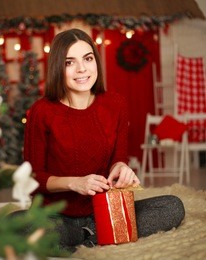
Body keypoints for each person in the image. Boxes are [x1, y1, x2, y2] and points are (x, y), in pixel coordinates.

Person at [19, 28, 185, 253]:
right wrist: (74, 183)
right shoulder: (42, 111)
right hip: (58, 217)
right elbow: (32, 178)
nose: (82, 69)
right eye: (70, 62)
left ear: (95, 61)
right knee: (19, 225)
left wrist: (121, 168)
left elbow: (118, 159)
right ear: (58, 67)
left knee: (172, 206)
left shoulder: (116, 104)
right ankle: (96, 239)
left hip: (106, 212)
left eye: (88, 59)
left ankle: (89, 239)